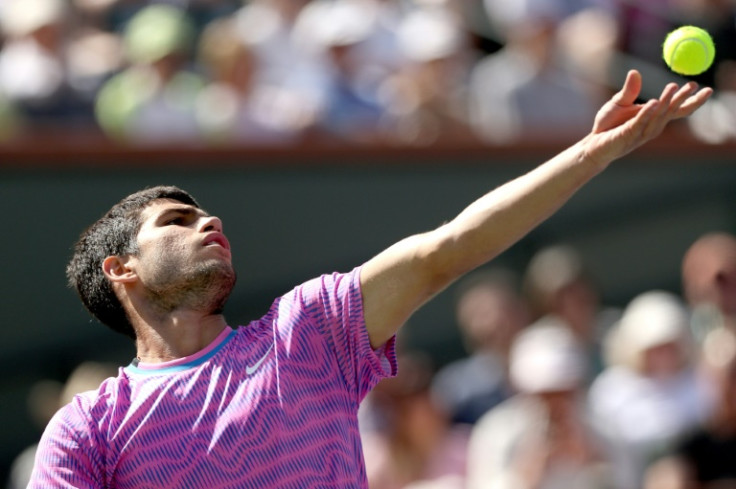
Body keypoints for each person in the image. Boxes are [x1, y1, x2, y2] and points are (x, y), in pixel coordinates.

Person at [28, 70, 711, 488]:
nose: (209, 222)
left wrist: (593, 152)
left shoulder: (308, 331)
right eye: (177, 221)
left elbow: (451, 246)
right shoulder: (87, 430)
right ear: (123, 271)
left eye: (205, 212)